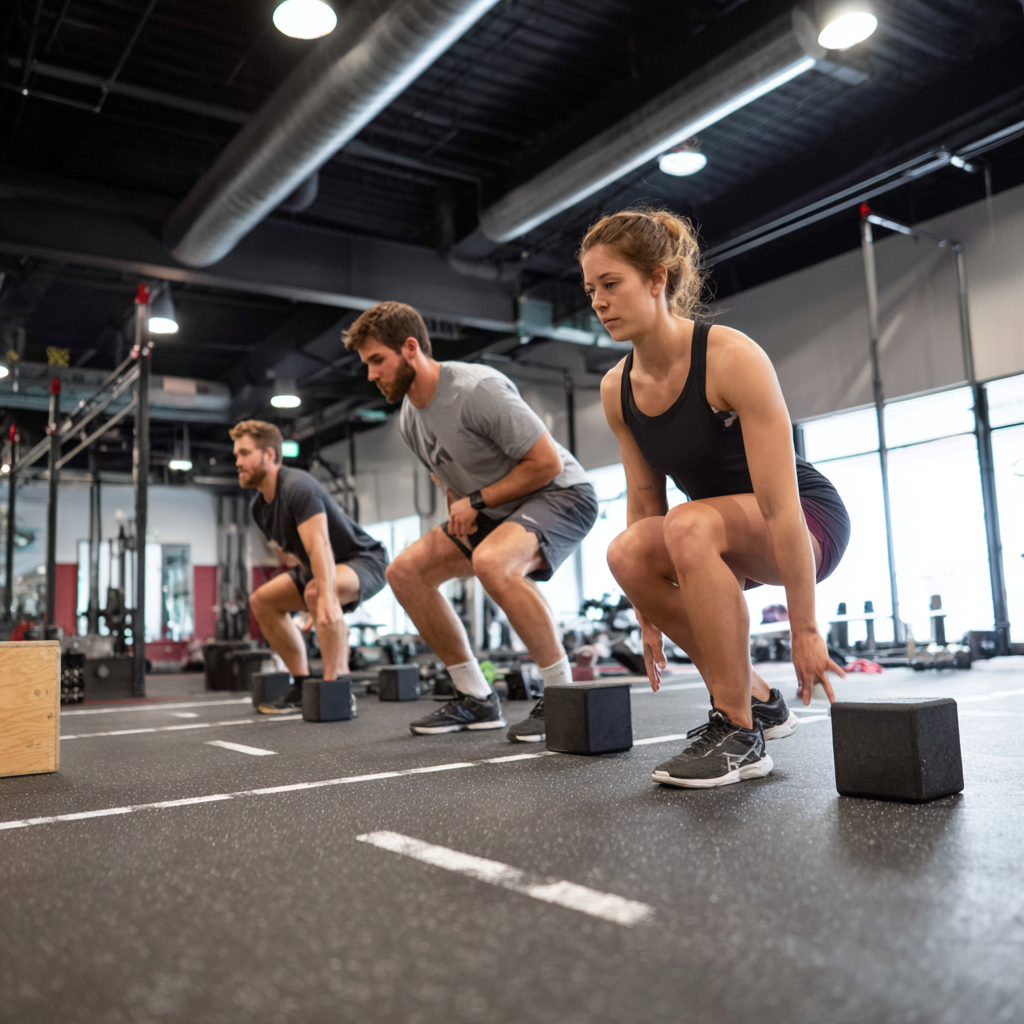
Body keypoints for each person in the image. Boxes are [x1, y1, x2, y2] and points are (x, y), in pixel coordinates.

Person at [580, 208, 850, 788]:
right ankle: (759, 703)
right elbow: (644, 507)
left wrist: (804, 627)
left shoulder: (730, 356)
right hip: (709, 531)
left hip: (804, 522)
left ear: (657, 279)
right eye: (590, 290)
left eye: (610, 284)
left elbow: (779, 506)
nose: (598, 302)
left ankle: (738, 734)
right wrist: (647, 615)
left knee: (689, 525)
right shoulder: (616, 390)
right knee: (626, 551)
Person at [343, 301, 598, 741]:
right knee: (404, 573)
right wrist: (459, 505)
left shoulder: (477, 388)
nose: (371, 375)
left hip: (561, 495)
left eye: (377, 361)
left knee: (493, 562)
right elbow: (448, 476)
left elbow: (547, 464)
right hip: (493, 510)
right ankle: (475, 698)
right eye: (366, 364)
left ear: (409, 348)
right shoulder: (409, 417)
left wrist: (475, 501)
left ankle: (561, 697)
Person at [231, 420, 388, 714]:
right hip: (318, 566)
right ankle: (302, 684)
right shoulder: (258, 508)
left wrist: (324, 596)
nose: (237, 462)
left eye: (244, 453)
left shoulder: (297, 486)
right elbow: (297, 556)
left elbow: (320, 547)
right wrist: (309, 598)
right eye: (236, 455)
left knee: (318, 591)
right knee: (262, 601)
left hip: (364, 560)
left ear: (269, 455)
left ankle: (336, 687)